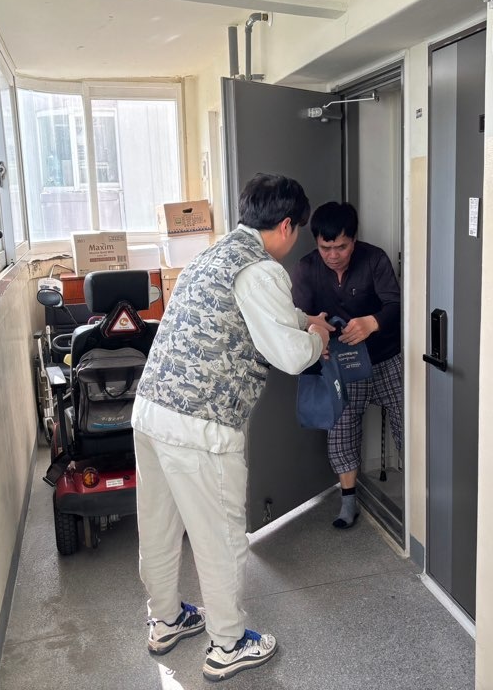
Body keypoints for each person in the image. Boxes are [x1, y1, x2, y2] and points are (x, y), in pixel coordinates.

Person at [132, 173, 331, 682]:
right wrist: (318, 339)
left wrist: (303, 318)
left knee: (158, 525)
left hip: (152, 410)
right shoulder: (261, 270)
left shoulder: (213, 255)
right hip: (200, 426)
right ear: (285, 226)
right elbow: (290, 355)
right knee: (220, 537)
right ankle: (228, 644)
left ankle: (166, 620)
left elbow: (258, 314)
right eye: (298, 231)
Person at [291, 201, 402, 529]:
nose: (333, 255)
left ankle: (420, 499)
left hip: (385, 357)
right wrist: (316, 338)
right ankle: (348, 502)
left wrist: (372, 322)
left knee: (408, 424)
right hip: (340, 363)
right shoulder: (306, 268)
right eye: (325, 248)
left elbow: (396, 304)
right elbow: (300, 318)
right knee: (341, 431)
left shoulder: (374, 259)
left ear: (354, 240)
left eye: (341, 247)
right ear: (316, 243)